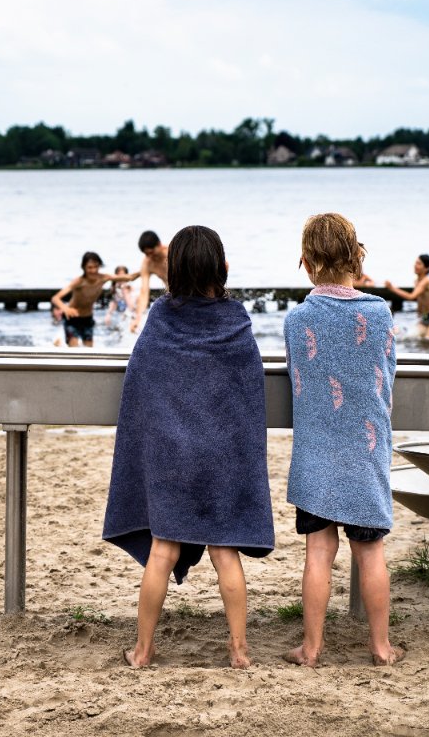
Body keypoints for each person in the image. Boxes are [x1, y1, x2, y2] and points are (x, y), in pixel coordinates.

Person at [104, 225, 274, 669]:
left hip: (171, 459)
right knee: (224, 552)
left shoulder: (161, 318)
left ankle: (142, 651)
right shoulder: (236, 322)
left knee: (163, 551)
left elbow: (141, 386)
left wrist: (159, 442)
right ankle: (239, 651)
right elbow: (247, 394)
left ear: (172, 271)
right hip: (223, 458)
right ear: (223, 269)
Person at [283, 213, 404, 668]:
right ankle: (380, 647)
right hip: (365, 450)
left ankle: (311, 649)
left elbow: (298, 373)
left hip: (316, 451)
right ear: (357, 257)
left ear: (307, 262)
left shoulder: (298, 319)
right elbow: (387, 374)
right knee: (371, 553)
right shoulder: (379, 313)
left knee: (318, 552)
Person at [51, 252, 135, 348]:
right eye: (90, 267)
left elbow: (130, 277)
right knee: (74, 350)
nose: (93, 270)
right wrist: (66, 309)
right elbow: (55, 298)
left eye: (96, 267)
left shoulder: (103, 278)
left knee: (89, 351)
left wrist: (146, 271)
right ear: (84, 268)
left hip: (87, 319)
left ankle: (59, 343)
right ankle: (59, 343)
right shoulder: (79, 281)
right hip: (72, 319)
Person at [384, 254, 429, 339]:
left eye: (419, 264)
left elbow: (411, 297)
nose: (415, 266)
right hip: (425, 316)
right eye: (415, 263)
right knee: (415, 339)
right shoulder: (417, 281)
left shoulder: (426, 281)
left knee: (428, 340)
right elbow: (421, 299)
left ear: (427, 268)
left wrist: (392, 288)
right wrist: (419, 313)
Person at [129, 230, 169, 333]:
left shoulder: (173, 252)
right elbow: (144, 292)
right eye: (147, 254)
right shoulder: (147, 263)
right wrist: (138, 318)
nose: (150, 256)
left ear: (159, 245)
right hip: (172, 297)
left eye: (152, 252)